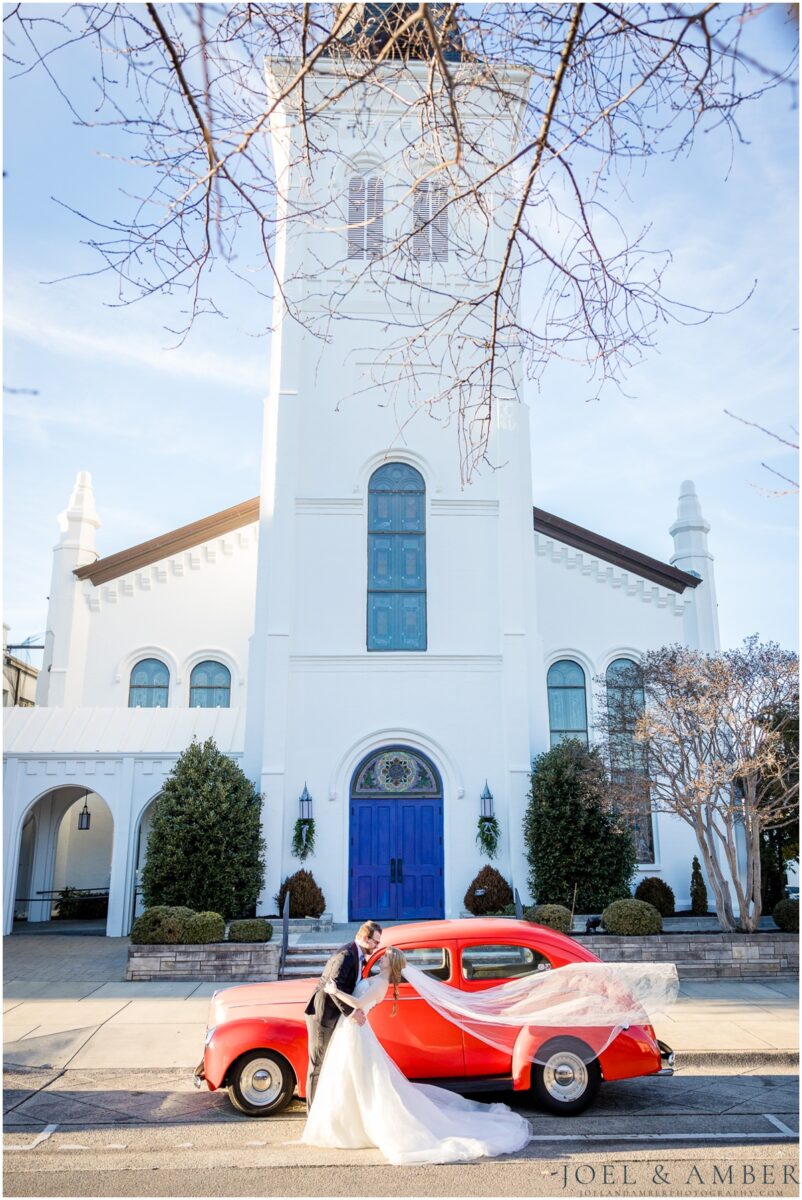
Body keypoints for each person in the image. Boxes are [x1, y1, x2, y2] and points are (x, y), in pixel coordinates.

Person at [301, 947, 532, 1166]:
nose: (381, 959)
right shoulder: (375, 978)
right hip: (350, 1030)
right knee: (347, 1078)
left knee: (364, 1081)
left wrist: (335, 992)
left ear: (392, 964)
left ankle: (358, 1127)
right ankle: (343, 1124)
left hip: (357, 1032)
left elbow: (359, 1004)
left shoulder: (381, 983)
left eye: (385, 958)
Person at [303, 919, 382, 1109]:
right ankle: (312, 1112)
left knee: (328, 1061)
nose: (377, 946)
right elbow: (332, 988)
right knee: (318, 1064)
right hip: (322, 1016)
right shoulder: (346, 955)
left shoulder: (358, 955)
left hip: (335, 1015)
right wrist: (352, 1012)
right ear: (365, 938)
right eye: (375, 942)